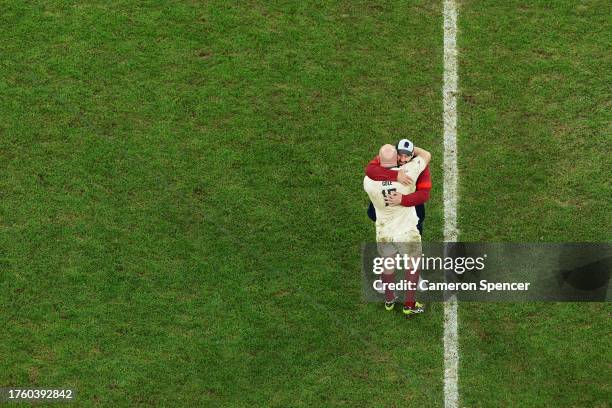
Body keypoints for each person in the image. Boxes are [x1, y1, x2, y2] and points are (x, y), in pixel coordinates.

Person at [363, 144, 431, 316]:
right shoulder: (409, 173)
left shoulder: (368, 182)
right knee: (413, 265)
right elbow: (426, 155)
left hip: (384, 230)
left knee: (387, 264)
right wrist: (412, 150)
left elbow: (371, 169)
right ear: (396, 159)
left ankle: (389, 300)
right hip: (406, 230)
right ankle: (409, 305)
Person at [365, 139, 432, 236]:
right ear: (395, 152)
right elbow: (370, 170)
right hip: (385, 205)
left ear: (412, 154)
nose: (402, 159)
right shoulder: (388, 158)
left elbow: (424, 195)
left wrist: (403, 199)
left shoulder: (421, 166)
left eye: (407, 156)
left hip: (411, 209)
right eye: (400, 155)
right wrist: (395, 175)